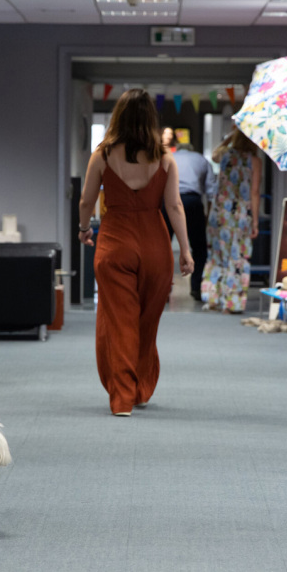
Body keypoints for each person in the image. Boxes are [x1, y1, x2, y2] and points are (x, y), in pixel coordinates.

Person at [78, 88, 194, 417]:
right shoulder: (165, 158)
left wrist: (84, 228)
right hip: (157, 247)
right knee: (145, 322)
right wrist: (185, 250)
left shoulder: (102, 155)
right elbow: (174, 206)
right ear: (150, 120)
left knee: (119, 322)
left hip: (115, 242)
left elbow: (87, 201)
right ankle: (140, 388)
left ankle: (122, 397)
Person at [200, 127, 262, 313]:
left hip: (219, 213)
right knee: (237, 258)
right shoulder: (255, 161)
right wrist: (255, 221)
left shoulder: (225, 156)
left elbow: (214, 155)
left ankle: (212, 299)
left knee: (216, 256)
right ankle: (231, 303)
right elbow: (255, 192)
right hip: (240, 215)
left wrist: (229, 138)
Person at [163, 142, 216, 301]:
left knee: (164, 246)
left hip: (168, 201)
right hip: (193, 201)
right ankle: (196, 287)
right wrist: (207, 214)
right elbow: (211, 191)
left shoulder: (169, 157)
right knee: (199, 248)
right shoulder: (201, 159)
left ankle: (164, 290)